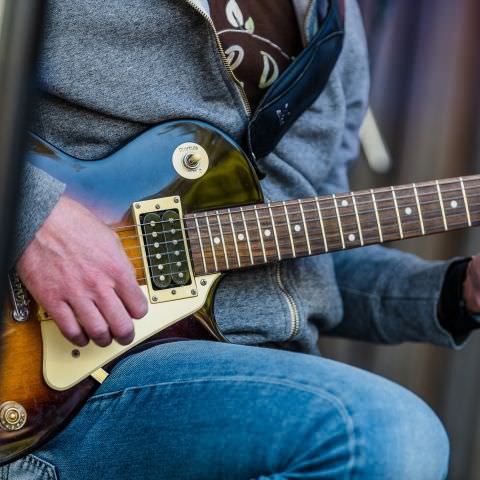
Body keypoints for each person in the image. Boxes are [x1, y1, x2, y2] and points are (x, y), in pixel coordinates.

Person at [3, 0, 480, 478]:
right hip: (77, 392)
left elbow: (308, 261)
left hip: (254, 391)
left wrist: (457, 292)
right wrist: (38, 219)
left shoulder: (336, 24)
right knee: (391, 433)